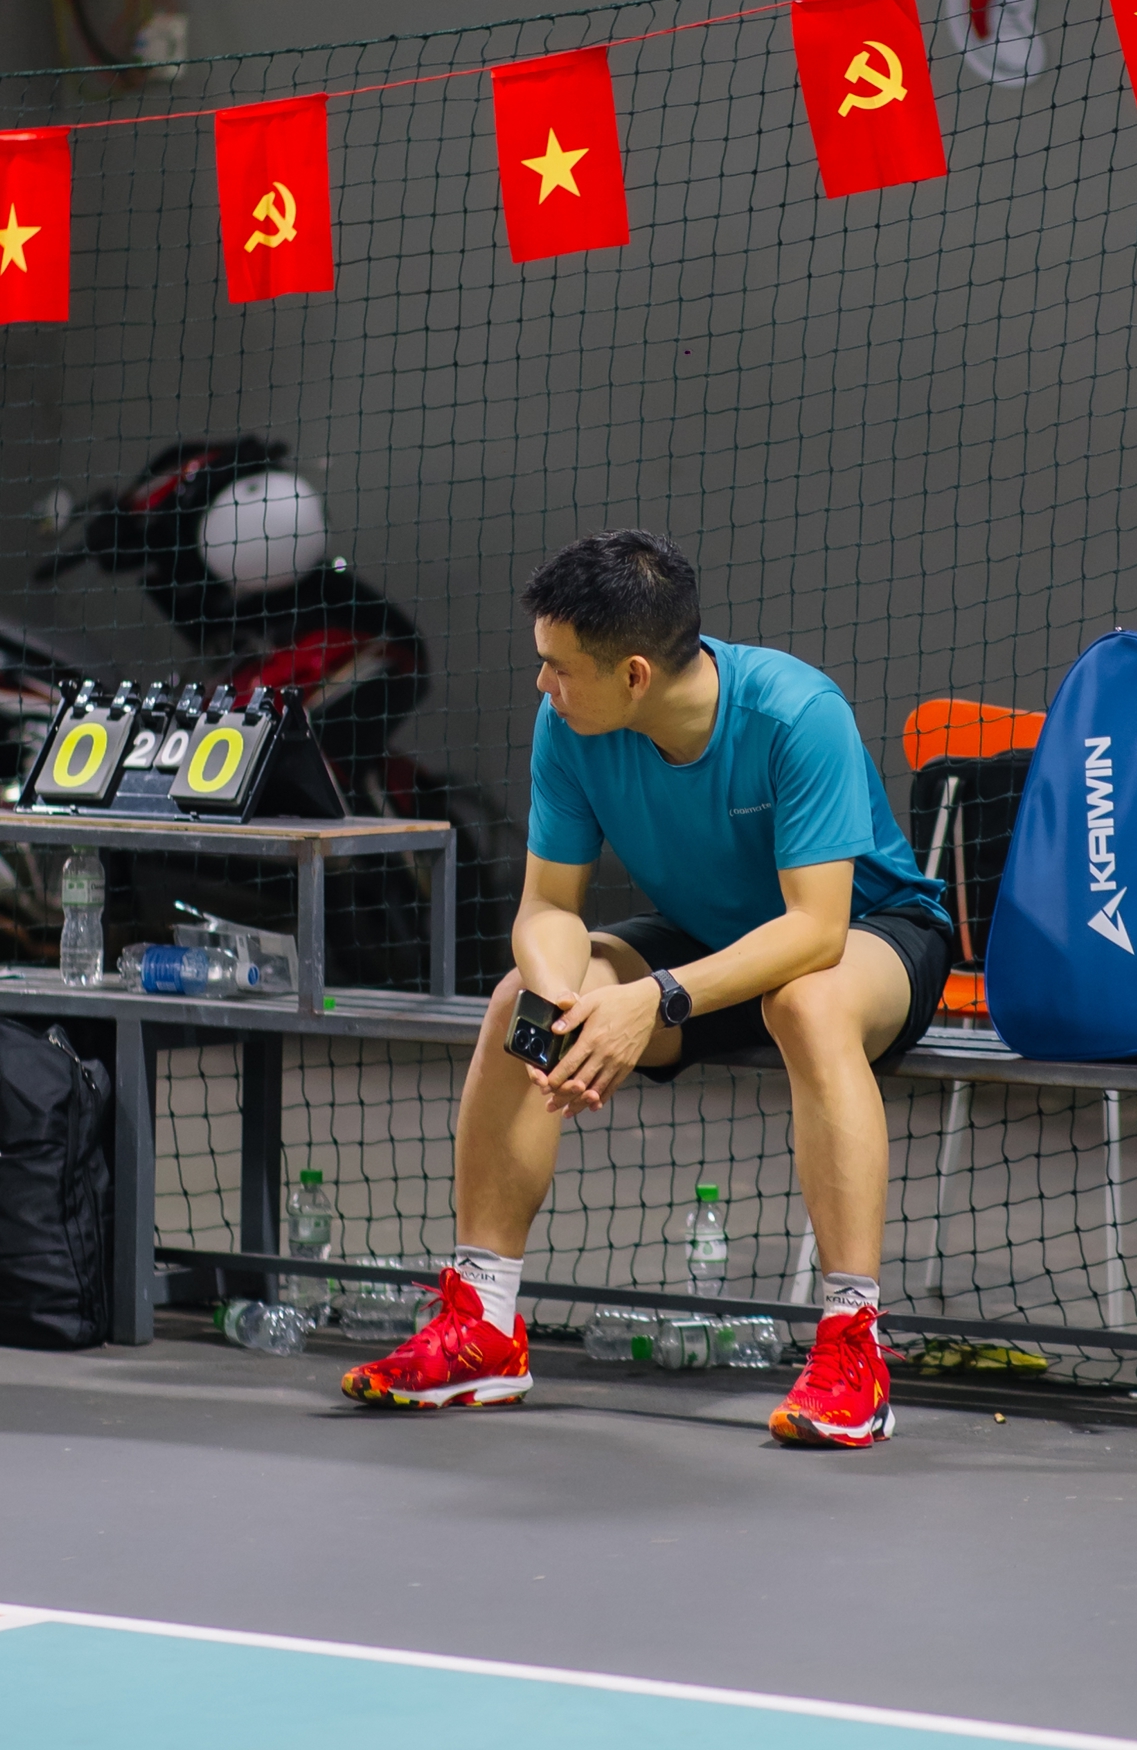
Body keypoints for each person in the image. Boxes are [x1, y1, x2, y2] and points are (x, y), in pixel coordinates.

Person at [341, 530, 952, 1447]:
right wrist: (566, 1006)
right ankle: (482, 1329)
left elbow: (813, 931)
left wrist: (653, 1000)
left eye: (558, 667)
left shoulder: (795, 713)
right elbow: (548, 906)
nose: (541, 684)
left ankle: (852, 1348)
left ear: (633, 675)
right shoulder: (569, 727)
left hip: (867, 937)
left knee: (806, 1002)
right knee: (516, 1003)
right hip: (706, 938)